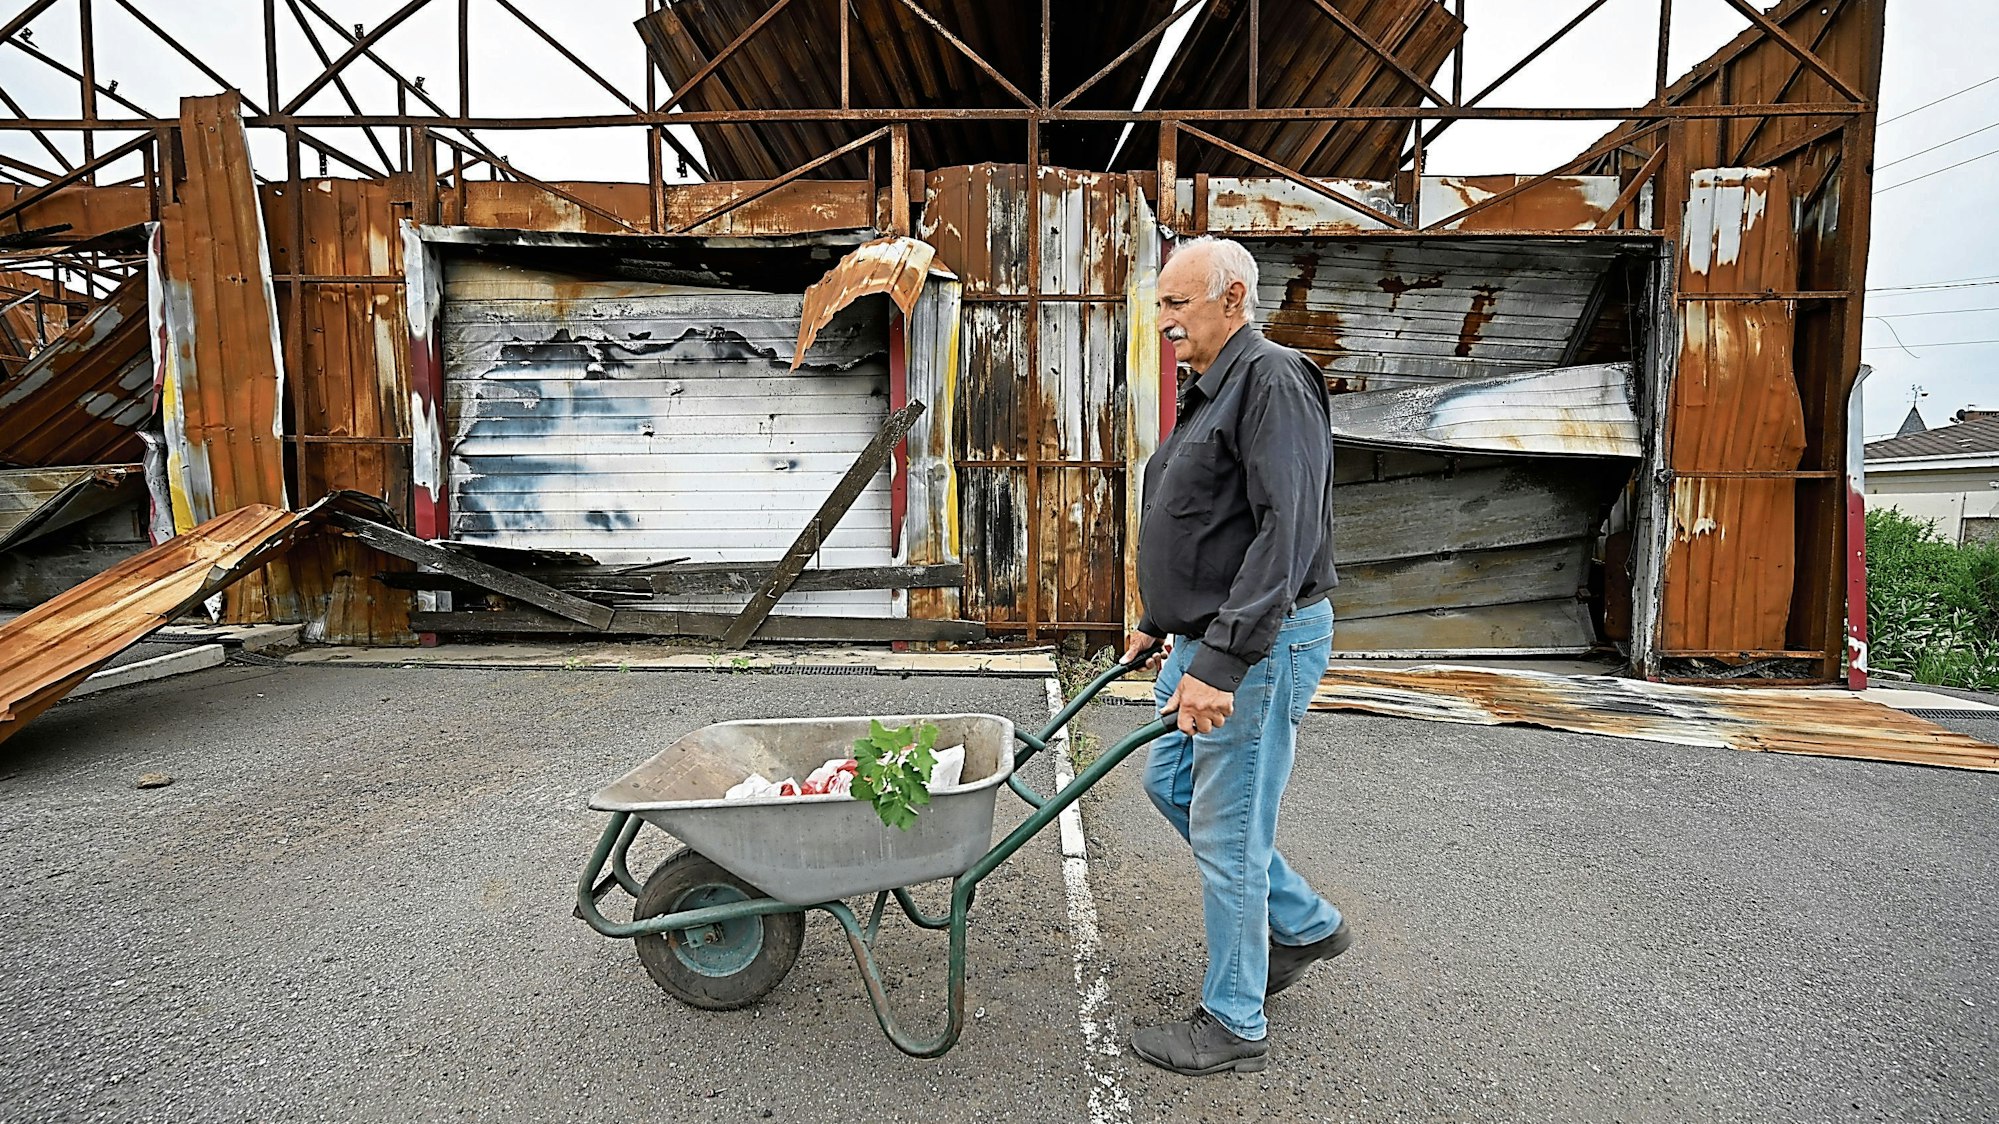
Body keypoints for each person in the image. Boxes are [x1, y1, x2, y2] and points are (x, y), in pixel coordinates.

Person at [1120, 235, 1347, 1076]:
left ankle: (1232, 1022)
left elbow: (1287, 533)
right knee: (1170, 784)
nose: (1165, 319)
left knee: (1228, 833)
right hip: (1202, 634)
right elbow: (1212, 521)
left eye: (1179, 303)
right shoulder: (1210, 385)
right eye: (1163, 303)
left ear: (1233, 300)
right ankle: (1303, 923)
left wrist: (1222, 664)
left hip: (1252, 647)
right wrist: (1160, 618)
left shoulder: (1273, 379)